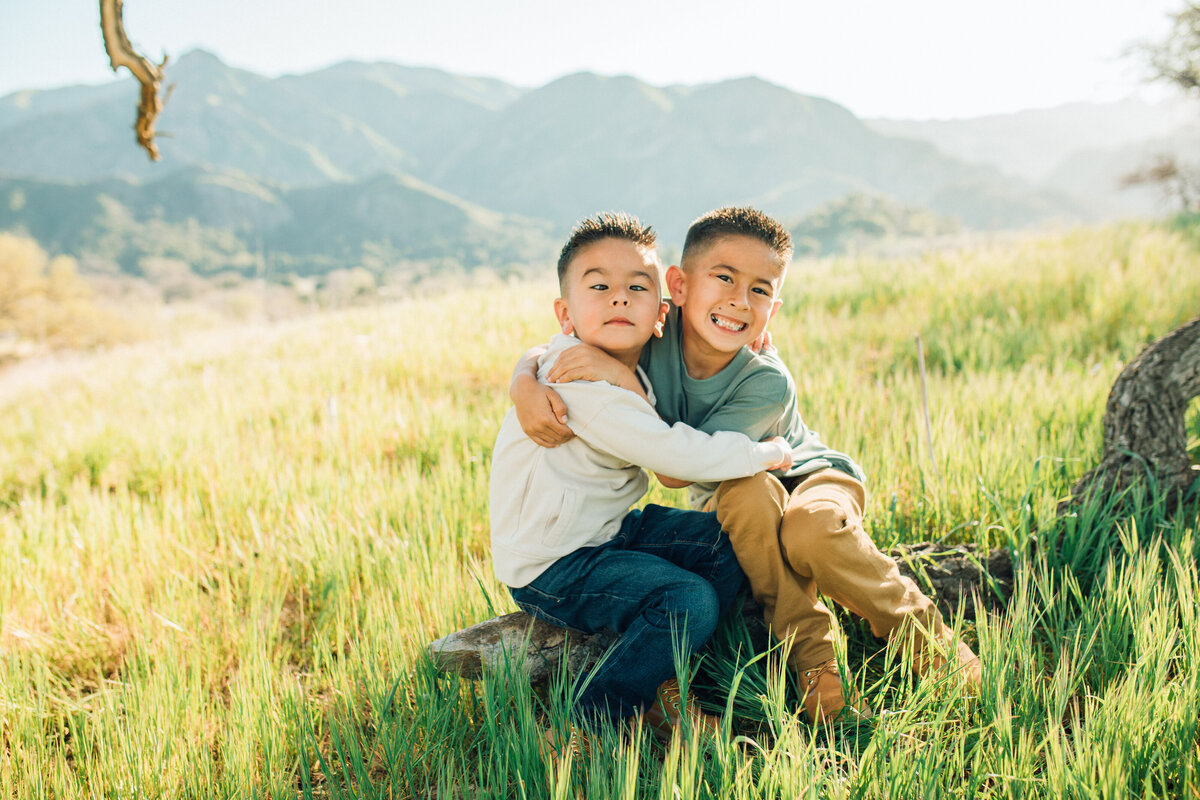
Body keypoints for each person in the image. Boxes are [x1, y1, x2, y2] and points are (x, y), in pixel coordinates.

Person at [511, 206, 980, 724]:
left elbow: (674, 471)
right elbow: (576, 329)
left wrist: (621, 384)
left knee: (810, 531)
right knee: (748, 497)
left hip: (808, 473)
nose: (739, 301)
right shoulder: (648, 331)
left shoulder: (766, 380)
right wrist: (524, 378)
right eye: (725, 278)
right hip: (738, 484)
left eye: (760, 290)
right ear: (679, 288)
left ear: (772, 310)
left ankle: (920, 635)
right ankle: (809, 663)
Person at [491, 211, 795, 750]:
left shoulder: (624, 364)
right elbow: (674, 454)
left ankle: (662, 684)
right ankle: (590, 719)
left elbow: (564, 359)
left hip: (604, 533)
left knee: (726, 547)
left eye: (636, 287)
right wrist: (763, 451)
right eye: (600, 287)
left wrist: (619, 377)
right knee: (690, 600)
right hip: (552, 562)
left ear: (661, 312)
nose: (617, 299)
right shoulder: (580, 382)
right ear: (566, 313)